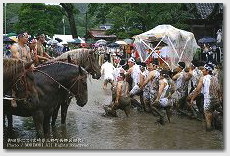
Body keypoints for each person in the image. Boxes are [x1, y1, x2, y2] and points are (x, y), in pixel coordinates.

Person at [189, 63, 222, 131]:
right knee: (213, 113)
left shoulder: (203, 78)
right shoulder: (215, 78)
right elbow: (219, 89)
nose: (202, 71)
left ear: (207, 71)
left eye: (204, 69)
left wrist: (192, 99)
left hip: (208, 101)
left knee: (207, 117)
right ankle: (217, 127)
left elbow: (198, 90)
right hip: (216, 100)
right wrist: (219, 98)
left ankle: (209, 133)